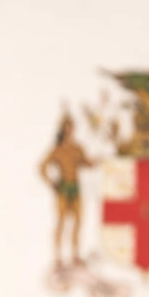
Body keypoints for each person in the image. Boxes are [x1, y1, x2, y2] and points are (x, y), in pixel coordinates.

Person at [39, 113, 93, 268]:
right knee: (61, 223)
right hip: (63, 189)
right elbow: (42, 167)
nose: (69, 130)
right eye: (66, 127)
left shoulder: (77, 148)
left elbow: (87, 163)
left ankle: (75, 255)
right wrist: (51, 183)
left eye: (71, 127)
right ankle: (57, 257)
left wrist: (98, 160)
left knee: (77, 223)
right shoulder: (57, 149)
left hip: (76, 189)